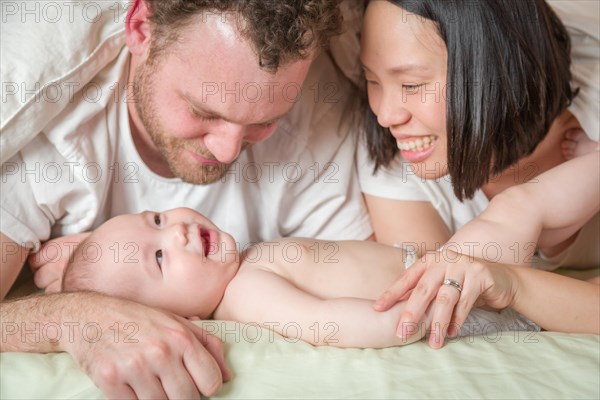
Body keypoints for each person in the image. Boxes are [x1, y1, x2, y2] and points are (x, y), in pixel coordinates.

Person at [1, 1, 371, 398]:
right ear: (141, 29)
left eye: (265, 123)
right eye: (203, 111)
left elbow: (377, 275)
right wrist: (78, 313)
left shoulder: (318, 114)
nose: (228, 151)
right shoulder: (43, 124)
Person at [357, 0, 599, 347]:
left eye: (411, 85)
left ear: (498, 70)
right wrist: (508, 279)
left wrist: (525, 205)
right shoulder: (395, 165)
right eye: (372, 79)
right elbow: (450, 308)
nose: (386, 115)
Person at [53, 207, 538, 349]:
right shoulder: (245, 297)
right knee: (533, 205)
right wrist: (418, 317)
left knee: (532, 211)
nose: (175, 232)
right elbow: (326, 321)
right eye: (159, 259)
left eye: (156, 219)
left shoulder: (246, 261)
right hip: (453, 299)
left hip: (449, 266)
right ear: (182, 317)